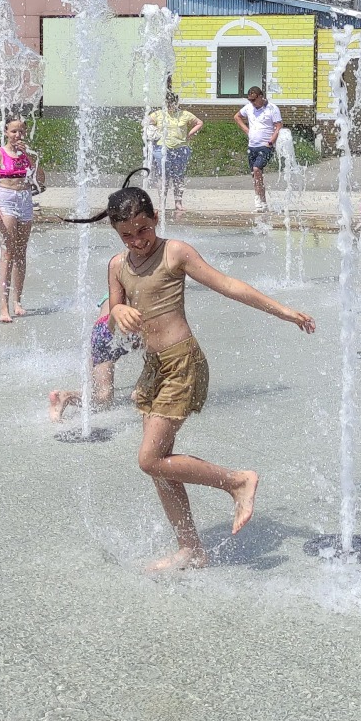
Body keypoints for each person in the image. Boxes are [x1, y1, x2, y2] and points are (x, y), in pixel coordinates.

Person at [89, 187, 314, 570]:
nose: (138, 240)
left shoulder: (174, 252)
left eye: (143, 229)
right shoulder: (116, 266)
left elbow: (227, 285)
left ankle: (237, 481)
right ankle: (191, 548)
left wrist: (283, 311)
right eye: (127, 235)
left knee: (149, 459)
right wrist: (118, 313)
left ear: (155, 218)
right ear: (116, 231)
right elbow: (113, 318)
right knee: (161, 465)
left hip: (182, 364)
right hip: (153, 367)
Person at [0, 116, 41, 323]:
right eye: (14, 131)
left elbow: (41, 180)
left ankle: (18, 302)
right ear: (6, 132)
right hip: (6, 200)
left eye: (21, 131)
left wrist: (30, 156)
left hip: (25, 200)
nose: (18, 135)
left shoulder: (27, 155)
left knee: (21, 253)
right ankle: (4, 307)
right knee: (8, 252)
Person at [48, 298, 138, 422]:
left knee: (103, 395)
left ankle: (65, 396)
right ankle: (141, 392)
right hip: (132, 326)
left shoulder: (110, 293)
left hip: (102, 329)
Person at [145, 91, 202, 219]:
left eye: (172, 104)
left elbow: (199, 122)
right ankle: (162, 203)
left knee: (178, 177)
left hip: (181, 149)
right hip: (161, 149)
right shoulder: (158, 114)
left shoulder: (184, 114)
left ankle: (178, 203)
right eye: (168, 104)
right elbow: (145, 122)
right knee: (163, 177)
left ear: (176, 103)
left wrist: (189, 134)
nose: (170, 106)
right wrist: (151, 131)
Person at [234, 86, 283, 213]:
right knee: (255, 174)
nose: (252, 102)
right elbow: (237, 117)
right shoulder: (248, 107)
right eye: (250, 100)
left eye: (254, 100)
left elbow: (278, 126)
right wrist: (247, 131)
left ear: (261, 96)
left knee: (257, 169)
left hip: (266, 146)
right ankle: (261, 200)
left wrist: (271, 141)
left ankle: (260, 200)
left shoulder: (272, 108)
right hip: (252, 146)